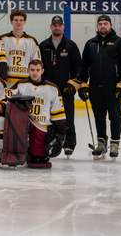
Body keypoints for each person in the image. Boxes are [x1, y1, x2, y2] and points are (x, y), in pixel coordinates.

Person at [79, 15, 121, 161]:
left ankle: (114, 143)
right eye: (100, 24)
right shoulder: (90, 44)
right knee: (99, 117)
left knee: (115, 116)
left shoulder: (119, 43)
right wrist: (83, 85)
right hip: (95, 86)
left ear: (110, 25)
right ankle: (101, 143)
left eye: (105, 23)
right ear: (97, 26)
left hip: (113, 86)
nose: (103, 26)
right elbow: (84, 66)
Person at [9, 59, 67, 168]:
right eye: (32, 70)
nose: (34, 73)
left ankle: (33, 153)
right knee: (15, 127)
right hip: (24, 121)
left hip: (42, 125)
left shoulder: (53, 88)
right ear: (28, 70)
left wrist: (60, 132)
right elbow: (7, 98)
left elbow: (58, 112)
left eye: (37, 70)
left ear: (42, 71)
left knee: (37, 160)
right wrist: (17, 103)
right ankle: (16, 152)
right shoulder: (20, 84)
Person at [39, 15, 83, 156]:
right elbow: (38, 67)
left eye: (59, 25)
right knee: (47, 118)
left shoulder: (71, 46)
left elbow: (78, 67)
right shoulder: (43, 46)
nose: (57, 27)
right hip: (47, 91)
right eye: (54, 25)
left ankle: (69, 144)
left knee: (68, 118)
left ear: (63, 27)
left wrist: (73, 84)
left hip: (65, 90)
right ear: (51, 27)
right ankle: (50, 143)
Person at [0, 10, 40, 85]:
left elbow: (36, 63)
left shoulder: (32, 41)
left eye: (21, 20)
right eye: (16, 20)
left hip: (25, 82)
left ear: (24, 22)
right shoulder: (2, 39)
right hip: (7, 81)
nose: (18, 22)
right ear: (11, 22)